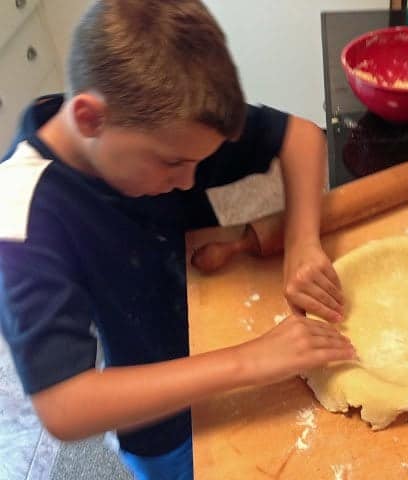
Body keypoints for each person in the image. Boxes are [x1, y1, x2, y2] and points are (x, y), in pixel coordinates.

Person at [0, 1, 356, 478]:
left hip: (219, 326)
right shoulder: (22, 216)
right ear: (89, 119)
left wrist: (303, 243)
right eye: (173, 165)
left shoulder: (166, 123)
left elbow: (303, 137)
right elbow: (65, 406)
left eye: (197, 163)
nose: (190, 181)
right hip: (162, 424)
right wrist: (250, 359)